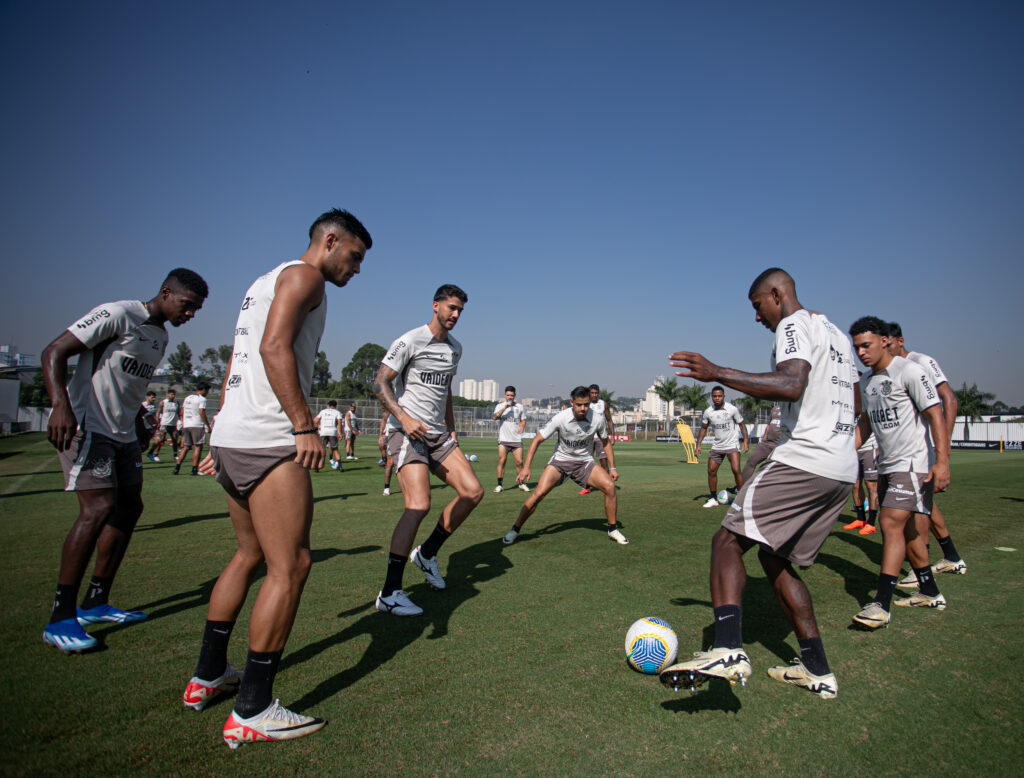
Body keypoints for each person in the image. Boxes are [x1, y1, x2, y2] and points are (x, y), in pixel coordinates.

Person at [182, 208, 371, 748]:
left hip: (233, 436)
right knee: (291, 566)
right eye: (354, 258)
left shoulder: (265, 279)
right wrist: (303, 425)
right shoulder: (306, 276)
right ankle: (254, 708)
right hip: (269, 440)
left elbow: (237, 360)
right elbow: (271, 348)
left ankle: (208, 676)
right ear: (330, 241)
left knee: (248, 556)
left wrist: (220, 426)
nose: (357, 270)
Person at [660, 268, 858, 699]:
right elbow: (854, 402)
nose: (757, 317)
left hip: (804, 460)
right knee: (774, 558)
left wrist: (716, 371)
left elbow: (791, 384)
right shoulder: (837, 334)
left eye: (757, 306)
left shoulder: (793, 324)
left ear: (776, 293)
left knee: (727, 541)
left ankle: (727, 648)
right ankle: (817, 669)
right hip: (842, 470)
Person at [41, 269, 208, 653]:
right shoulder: (118, 314)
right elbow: (55, 351)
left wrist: (139, 423)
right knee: (97, 508)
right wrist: (59, 406)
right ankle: (60, 617)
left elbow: (129, 384)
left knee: (130, 507)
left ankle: (96, 600)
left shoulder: (160, 336)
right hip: (88, 426)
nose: (191, 315)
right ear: (166, 293)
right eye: (188, 306)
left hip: (124, 434)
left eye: (196, 310)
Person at [372, 284, 484, 617]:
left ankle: (427, 553)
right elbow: (380, 382)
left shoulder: (455, 349)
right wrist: (403, 419)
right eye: (451, 308)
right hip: (407, 432)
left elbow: (446, 391)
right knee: (418, 505)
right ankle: (390, 592)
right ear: (435, 306)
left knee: (473, 492)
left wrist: (450, 426)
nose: (455, 315)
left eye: (460, 311)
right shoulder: (409, 340)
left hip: (438, 434)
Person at [849, 317, 950, 630]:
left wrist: (942, 462)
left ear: (884, 340)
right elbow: (865, 422)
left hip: (913, 464)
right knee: (906, 532)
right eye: (856, 348)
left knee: (889, 521)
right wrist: (845, 450)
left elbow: (935, 414)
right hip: (887, 463)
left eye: (866, 345)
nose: (862, 353)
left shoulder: (910, 372)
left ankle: (881, 604)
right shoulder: (866, 382)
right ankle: (930, 591)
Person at [886, 321, 967, 586]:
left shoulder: (921, 362)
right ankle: (951, 557)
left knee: (918, 508)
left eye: (888, 343)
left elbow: (949, 399)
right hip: (915, 445)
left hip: (926, 446)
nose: (885, 348)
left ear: (900, 341)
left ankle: (920, 569)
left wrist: (943, 445)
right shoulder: (891, 370)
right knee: (925, 504)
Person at [500, 386, 628, 546]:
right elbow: (536, 440)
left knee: (609, 487)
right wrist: (526, 467)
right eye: (579, 404)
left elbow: (605, 443)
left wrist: (613, 467)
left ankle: (612, 529)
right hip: (560, 462)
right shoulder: (560, 418)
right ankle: (515, 529)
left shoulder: (597, 418)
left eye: (586, 404)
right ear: (571, 403)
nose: (583, 408)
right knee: (538, 494)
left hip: (584, 462)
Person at [695, 386, 750, 507]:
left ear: (724, 396)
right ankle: (713, 498)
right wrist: (698, 444)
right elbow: (704, 428)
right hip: (717, 446)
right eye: (714, 396)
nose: (717, 398)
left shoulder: (732, 409)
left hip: (732, 444)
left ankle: (741, 499)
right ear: (712, 397)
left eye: (719, 396)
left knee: (736, 470)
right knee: (711, 471)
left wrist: (745, 440)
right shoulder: (708, 412)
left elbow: (741, 424)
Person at [579, 383, 615, 494]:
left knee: (603, 462)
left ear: (598, 393)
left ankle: (606, 485)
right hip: (588, 437)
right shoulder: (585, 404)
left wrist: (612, 435)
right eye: (592, 393)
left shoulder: (603, 404)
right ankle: (586, 487)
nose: (594, 395)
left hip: (600, 438)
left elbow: (609, 420)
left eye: (596, 393)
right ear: (589, 393)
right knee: (586, 462)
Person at [493, 385, 529, 493]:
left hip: (516, 440)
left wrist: (522, 426)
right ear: (505, 395)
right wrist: (505, 407)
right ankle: (499, 485)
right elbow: (494, 417)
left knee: (519, 462)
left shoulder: (520, 407)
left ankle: (521, 484)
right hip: (503, 440)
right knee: (502, 461)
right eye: (508, 395)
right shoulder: (500, 406)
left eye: (512, 395)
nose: (510, 397)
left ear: (515, 396)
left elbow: (523, 420)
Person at [842, 432, 879, 535]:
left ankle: (871, 523)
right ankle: (860, 519)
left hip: (870, 449)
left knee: (871, 485)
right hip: (853, 450)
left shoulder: (866, 415)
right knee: (855, 484)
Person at [174, 382, 212, 475]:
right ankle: (194, 469)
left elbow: (181, 412)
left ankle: (177, 468)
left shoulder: (188, 398)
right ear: (203, 390)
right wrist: (207, 425)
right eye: (207, 391)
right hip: (197, 424)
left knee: (186, 447)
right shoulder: (202, 399)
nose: (207, 393)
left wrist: (183, 423)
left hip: (187, 425)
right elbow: (201, 412)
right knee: (198, 446)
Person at [739, 404, 780, 482]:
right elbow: (768, 425)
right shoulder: (775, 408)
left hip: (782, 444)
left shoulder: (795, 408)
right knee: (751, 460)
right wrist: (764, 440)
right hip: (768, 442)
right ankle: (741, 488)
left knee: (774, 468)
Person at [146, 389, 180, 462]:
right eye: (171, 394)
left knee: (175, 439)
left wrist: (181, 420)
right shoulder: (163, 402)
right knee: (161, 439)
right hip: (164, 423)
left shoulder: (176, 403)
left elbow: (179, 412)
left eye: (174, 394)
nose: (173, 396)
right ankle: (155, 454)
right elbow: (158, 412)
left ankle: (175, 454)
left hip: (173, 424)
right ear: (167, 395)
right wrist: (157, 421)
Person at [314, 400, 344, 471]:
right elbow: (339, 423)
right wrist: (339, 433)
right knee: (335, 449)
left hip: (323, 432)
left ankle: (317, 466)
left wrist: (318, 427)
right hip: (332, 432)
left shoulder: (323, 411)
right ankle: (340, 467)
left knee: (322, 449)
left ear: (328, 405)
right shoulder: (337, 412)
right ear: (336, 406)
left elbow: (315, 421)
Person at [378, 409, 395, 496]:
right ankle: (386, 488)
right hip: (392, 436)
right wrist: (381, 435)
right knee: (390, 463)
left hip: (404, 437)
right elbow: (383, 422)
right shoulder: (388, 412)